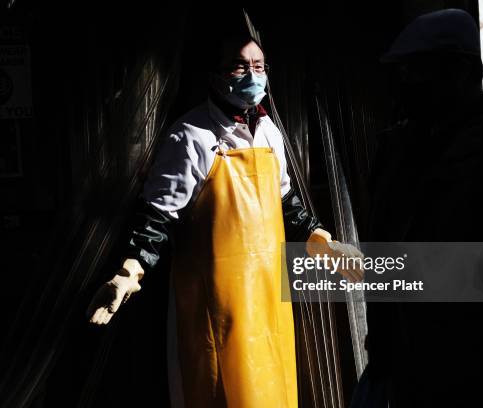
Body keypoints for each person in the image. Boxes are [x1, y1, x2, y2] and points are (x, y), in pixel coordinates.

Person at [86, 30, 362, 408]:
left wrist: (319, 238)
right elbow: (157, 217)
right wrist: (129, 272)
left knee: (273, 387)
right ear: (215, 76)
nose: (252, 75)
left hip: (268, 297)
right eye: (239, 67)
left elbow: (284, 198)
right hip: (215, 303)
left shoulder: (269, 132)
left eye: (259, 66)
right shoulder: (190, 137)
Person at [362, 9, 483, 408]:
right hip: (415, 366)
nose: (404, 85)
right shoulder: (402, 149)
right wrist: (385, 340)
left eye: (416, 71)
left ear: (457, 72)